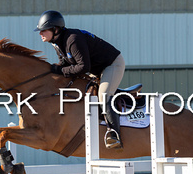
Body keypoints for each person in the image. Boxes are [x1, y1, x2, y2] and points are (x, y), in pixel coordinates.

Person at [35, 10, 125, 149]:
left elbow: (83, 67)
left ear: (55, 29)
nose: (40, 33)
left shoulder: (73, 39)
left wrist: (59, 70)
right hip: (96, 69)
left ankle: (114, 134)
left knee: (104, 95)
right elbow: (65, 65)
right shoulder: (57, 43)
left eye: (43, 30)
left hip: (112, 64)